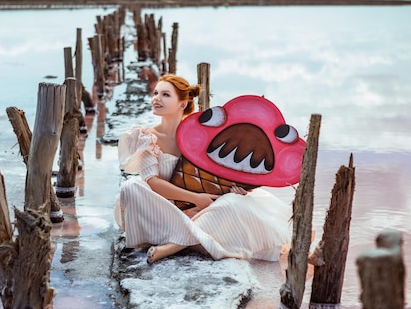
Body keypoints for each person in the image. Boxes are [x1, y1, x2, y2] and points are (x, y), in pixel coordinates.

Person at [114, 74, 292, 264]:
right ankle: (191, 238)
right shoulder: (147, 136)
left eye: (165, 95)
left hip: (197, 212)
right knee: (131, 187)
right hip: (161, 209)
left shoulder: (199, 134)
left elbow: (216, 176)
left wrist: (231, 190)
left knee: (233, 202)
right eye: (156, 93)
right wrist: (195, 198)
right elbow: (153, 182)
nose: (156, 98)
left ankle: (175, 245)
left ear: (182, 104)